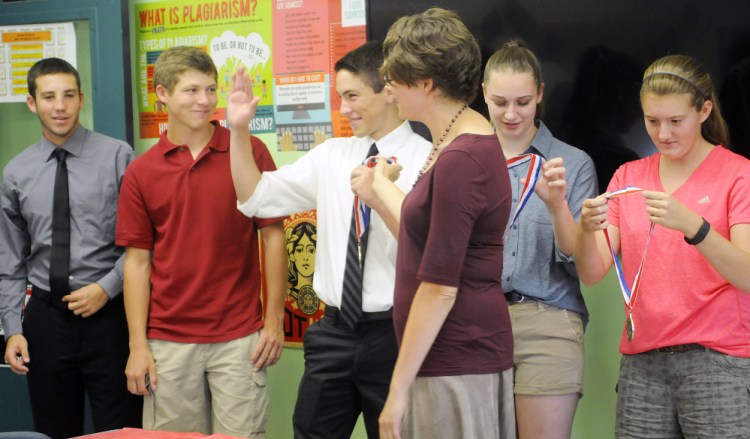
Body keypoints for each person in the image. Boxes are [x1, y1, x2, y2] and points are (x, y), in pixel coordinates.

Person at [227, 41, 431, 438]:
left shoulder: (429, 159)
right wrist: (238, 131)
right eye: (340, 97)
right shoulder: (332, 155)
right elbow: (254, 197)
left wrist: (381, 195)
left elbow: (425, 250)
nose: (344, 109)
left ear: (389, 91)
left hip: (395, 334)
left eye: (352, 96)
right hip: (332, 332)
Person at [115, 46, 287, 438]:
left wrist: (273, 321)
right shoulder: (142, 172)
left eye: (211, 90)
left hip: (240, 334)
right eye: (191, 91)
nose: (205, 100)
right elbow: (137, 263)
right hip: (168, 339)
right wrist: (137, 345)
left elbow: (273, 238)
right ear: (162, 94)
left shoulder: (249, 150)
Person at [575, 54, 750, 438]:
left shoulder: (739, 174)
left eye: (675, 121)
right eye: (652, 121)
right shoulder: (628, 176)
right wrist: (583, 229)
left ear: (704, 111)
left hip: (717, 361)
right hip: (643, 366)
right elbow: (592, 272)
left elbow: (746, 274)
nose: (663, 133)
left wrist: (694, 226)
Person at [362, 8, 515, 438]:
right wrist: (381, 186)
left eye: (395, 80)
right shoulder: (453, 141)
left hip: (456, 358)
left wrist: (397, 390)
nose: (388, 90)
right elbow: (424, 234)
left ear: (427, 82)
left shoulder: (461, 159)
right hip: (450, 355)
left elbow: (440, 287)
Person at [0, 57, 142, 439]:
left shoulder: (118, 156)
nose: (59, 106)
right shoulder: (16, 172)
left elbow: (144, 242)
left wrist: (106, 288)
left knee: (122, 429)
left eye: (67, 95)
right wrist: (12, 328)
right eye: (48, 97)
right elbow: (10, 260)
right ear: (32, 103)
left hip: (110, 317)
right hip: (46, 320)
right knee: (53, 430)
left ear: (81, 99)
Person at [482, 41, 598, 439]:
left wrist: (557, 206)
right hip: (478, 320)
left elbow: (576, 257)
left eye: (523, 102)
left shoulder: (571, 163)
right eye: (499, 102)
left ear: (541, 96)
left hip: (548, 318)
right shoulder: (465, 161)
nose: (510, 114)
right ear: (483, 94)